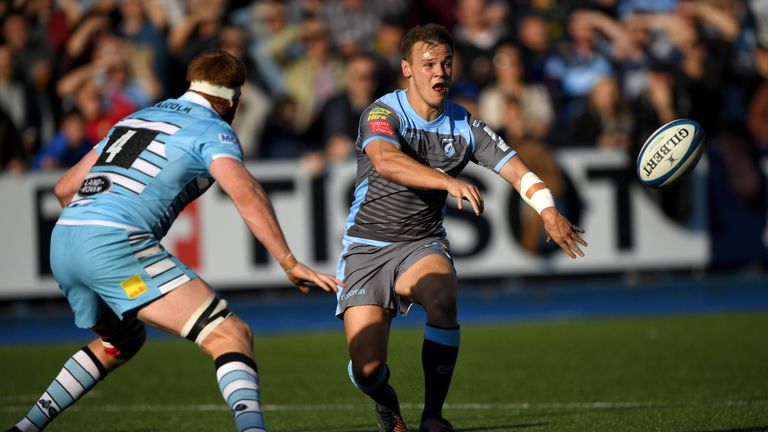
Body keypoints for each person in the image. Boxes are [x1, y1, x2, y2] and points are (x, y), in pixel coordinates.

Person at [6, 49, 341, 432]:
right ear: (234, 100)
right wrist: (288, 262)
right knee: (230, 333)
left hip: (65, 240)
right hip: (114, 243)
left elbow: (65, 188)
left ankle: (24, 429)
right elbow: (244, 190)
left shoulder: (137, 117)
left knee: (121, 341)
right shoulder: (213, 129)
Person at [334, 24, 587, 432]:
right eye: (428, 63)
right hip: (367, 246)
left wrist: (547, 210)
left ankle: (433, 416)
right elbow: (385, 161)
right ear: (407, 70)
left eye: (446, 63)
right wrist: (447, 180)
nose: (439, 72)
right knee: (367, 368)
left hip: (421, 242)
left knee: (443, 294)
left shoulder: (464, 124)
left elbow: (518, 170)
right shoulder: (382, 112)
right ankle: (386, 403)